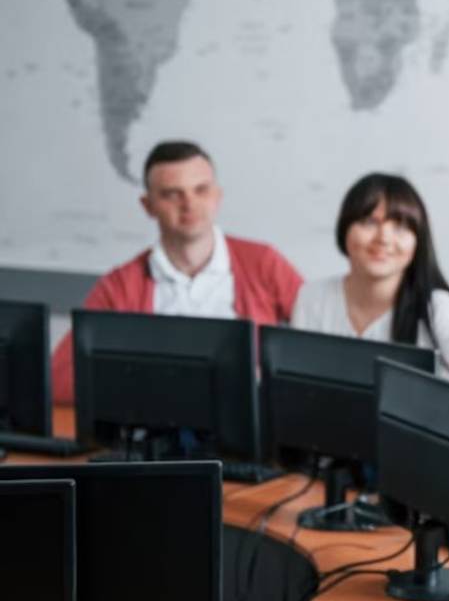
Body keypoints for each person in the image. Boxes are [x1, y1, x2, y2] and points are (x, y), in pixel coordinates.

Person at [50, 140, 303, 404]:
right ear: (147, 206)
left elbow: (319, 351)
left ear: (217, 196)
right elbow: (59, 380)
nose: (189, 204)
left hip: (250, 428)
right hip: (156, 427)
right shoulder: (120, 286)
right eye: (172, 194)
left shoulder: (263, 262)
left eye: (201, 190)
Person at [291, 173, 449, 383]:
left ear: (418, 240)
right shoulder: (312, 298)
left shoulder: (440, 311)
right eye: (370, 222)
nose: (384, 238)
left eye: (400, 227)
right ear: (345, 229)